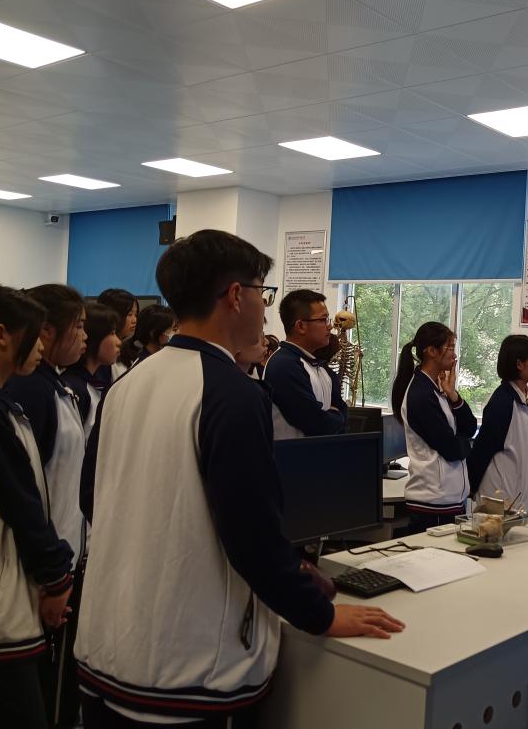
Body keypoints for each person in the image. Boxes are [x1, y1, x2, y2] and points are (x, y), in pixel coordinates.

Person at [74, 230, 403, 728]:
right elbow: (252, 536)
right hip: (191, 672)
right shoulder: (231, 393)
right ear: (235, 296)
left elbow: (92, 499)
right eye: (261, 293)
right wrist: (319, 613)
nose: (264, 310)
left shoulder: (128, 383)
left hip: (107, 650)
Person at [0, 285, 74, 729]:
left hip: (2, 600)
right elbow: (22, 505)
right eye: (34, 333)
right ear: (1, 335)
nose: (42, 345)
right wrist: (56, 577)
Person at [4, 284, 88, 728]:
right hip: (41, 572)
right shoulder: (31, 392)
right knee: (43, 695)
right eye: (78, 326)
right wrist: (49, 577)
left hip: (62, 560)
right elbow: (24, 494)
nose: (85, 336)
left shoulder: (56, 385)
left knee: (58, 688)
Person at [391, 321, 477, 534]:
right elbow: (451, 448)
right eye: (450, 348)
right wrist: (467, 444)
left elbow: (470, 426)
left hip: (448, 497)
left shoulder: (437, 389)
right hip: (432, 502)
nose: (455, 355)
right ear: (431, 351)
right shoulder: (421, 395)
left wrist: (453, 395)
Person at [468, 335, 528, 512]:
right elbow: (482, 450)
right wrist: (471, 486)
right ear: (519, 364)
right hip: (500, 500)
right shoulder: (502, 403)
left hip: (523, 500)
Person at [263, 289, 347, 439]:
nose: (330, 326)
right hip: (293, 453)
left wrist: (335, 416)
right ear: (300, 326)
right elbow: (316, 423)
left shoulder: (319, 366)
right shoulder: (283, 365)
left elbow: (343, 411)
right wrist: (335, 416)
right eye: (323, 320)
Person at [62, 303, 121, 439]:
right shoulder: (75, 387)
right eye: (112, 333)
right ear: (95, 337)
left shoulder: (94, 383)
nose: (118, 342)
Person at [95, 289, 138, 383]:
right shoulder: (102, 357)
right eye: (129, 314)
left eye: (135, 314)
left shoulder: (129, 350)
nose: (134, 320)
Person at [117, 303, 176, 370]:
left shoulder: (161, 357)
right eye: (171, 329)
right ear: (153, 333)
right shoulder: (142, 365)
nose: (174, 333)